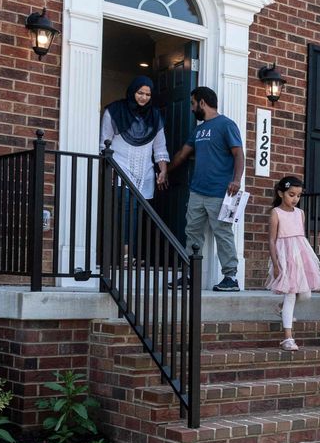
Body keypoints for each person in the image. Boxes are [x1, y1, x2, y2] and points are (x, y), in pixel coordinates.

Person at [165, 86, 245, 291]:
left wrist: (237, 180)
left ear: (202, 102)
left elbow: (238, 153)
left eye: (193, 103)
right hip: (196, 192)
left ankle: (231, 278)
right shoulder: (198, 130)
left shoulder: (226, 125)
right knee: (192, 233)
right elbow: (183, 154)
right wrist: (165, 171)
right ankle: (189, 276)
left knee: (223, 233)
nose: (192, 109)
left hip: (221, 192)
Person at [100, 76, 168, 265]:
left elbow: (160, 148)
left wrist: (163, 170)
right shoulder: (114, 111)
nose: (144, 97)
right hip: (120, 169)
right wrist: (108, 169)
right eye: (140, 93)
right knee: (126, 211)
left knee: (138, 215)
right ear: (132, 92)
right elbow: (104, 144)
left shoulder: (155, 116)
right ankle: (125, 256)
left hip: (145, 173)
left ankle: (132, 255)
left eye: (148, 94)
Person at [265, 176, 320, 351]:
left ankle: (282, 308)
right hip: (284, 256)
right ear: (281, 193)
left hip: (300, 255)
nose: (295, 199)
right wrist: (276, 264)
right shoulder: (276, 213)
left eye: (298, 195)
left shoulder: (300, 213)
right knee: (290, 294)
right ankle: (288, 338)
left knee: (305, 295)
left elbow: (300, 237)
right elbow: (272, 240)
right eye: (291, 194)